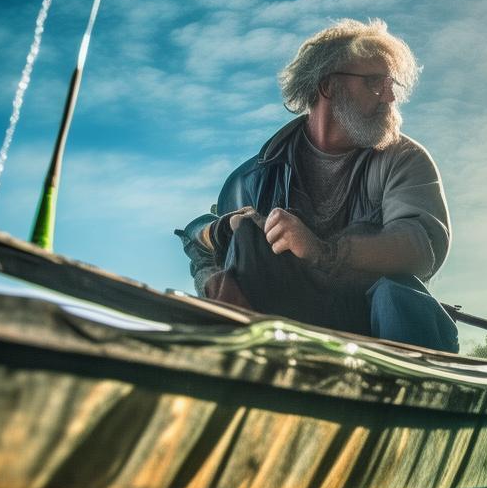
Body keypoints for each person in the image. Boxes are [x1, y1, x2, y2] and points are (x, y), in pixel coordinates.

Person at [176, 19, 458, 352]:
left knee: (395, 293)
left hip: (383, 336)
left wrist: (325, 252)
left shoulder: (404, 159)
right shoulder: (249, 179)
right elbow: (200, 244)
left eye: (390, 82)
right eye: (374, 82)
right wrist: (212, 277)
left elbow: (421, 247)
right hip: (291, 337)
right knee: (245, 239)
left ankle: (407, 396)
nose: (390, 95)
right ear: (328, 87)